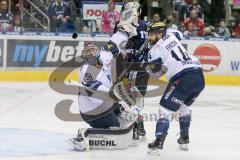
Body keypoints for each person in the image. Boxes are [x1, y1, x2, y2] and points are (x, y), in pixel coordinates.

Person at [144, 22, 205, 154]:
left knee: (164, 109)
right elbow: (179, 34)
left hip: (183, 77)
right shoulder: (172, 34)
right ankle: (184, 138)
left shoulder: (154, 51)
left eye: (152, 34)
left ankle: (158, 142)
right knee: (184, 106)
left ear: (160, 34)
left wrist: (146, 64)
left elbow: (156, 74)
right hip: (199, 77)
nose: (149, 37)